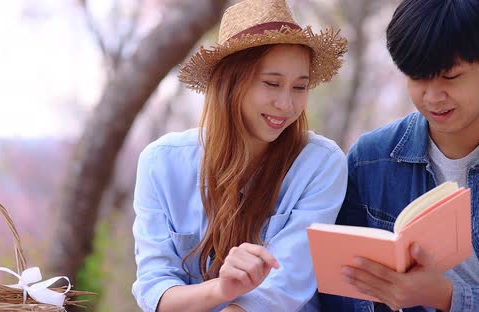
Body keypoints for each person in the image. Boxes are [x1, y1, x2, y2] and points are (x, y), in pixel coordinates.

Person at [320, 0, 479, 311]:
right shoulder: (370, 159)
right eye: (417, 78)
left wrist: (445, 296)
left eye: (450, 76)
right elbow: (340, 291)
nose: (432, 97)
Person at [131, 0, 348, 311]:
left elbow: (283, 288)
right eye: (272, 83)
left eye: (300, 87)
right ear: (229, 83)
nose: (286, 104)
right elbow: (157, 291)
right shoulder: (161, 164)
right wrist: (221, 289)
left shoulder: (320, 164)